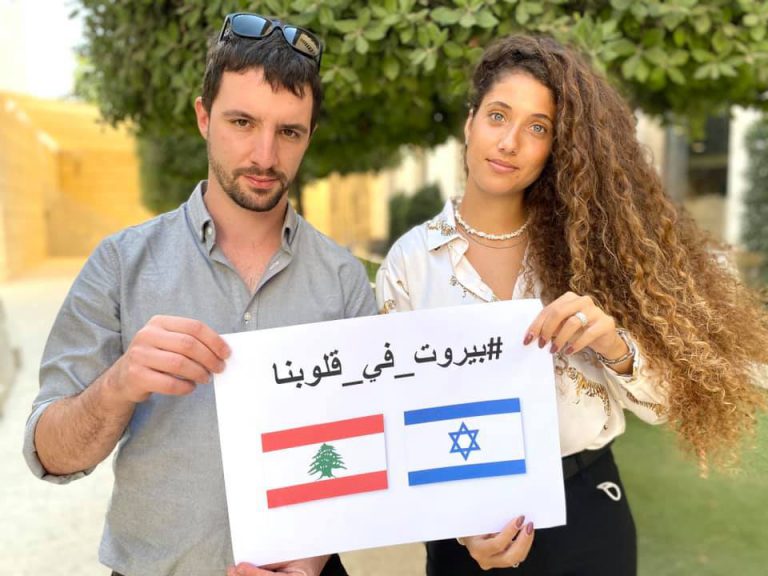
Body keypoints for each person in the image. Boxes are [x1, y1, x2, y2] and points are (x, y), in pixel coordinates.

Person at [376, 34, 768, 575]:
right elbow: (394, 417)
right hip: (464, 523)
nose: (510, 142)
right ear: (470, 122)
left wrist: (614, 344)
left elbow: (662, 406)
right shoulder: (410, 262)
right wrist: (460, 526)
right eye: (498, 116)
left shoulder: (593, 250)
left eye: (538, 127)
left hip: (586, 511)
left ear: (555, 148)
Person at [23, 13, 376, 576]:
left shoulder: (344, 281)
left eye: (289, 132)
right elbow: (49, 454)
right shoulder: (120, 263)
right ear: (204, 117)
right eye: (242, 122)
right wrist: (120, 383)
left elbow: (367, 452)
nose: (265, 155)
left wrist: (310, 562)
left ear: (309, 136)